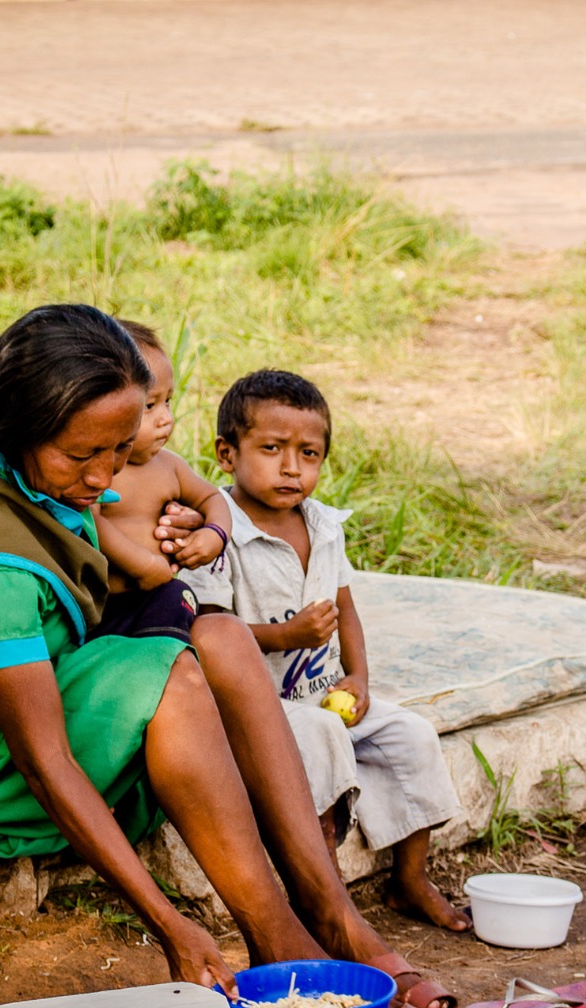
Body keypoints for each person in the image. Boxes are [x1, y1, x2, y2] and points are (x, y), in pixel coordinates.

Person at [0, 306, 459, 1008]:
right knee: (174, 677)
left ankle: (331, 914)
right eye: (84, 455)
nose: (104, 477)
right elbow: (44, 760)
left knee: (218, 633)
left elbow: (115, 539)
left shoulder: (23, 455)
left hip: (6, 697)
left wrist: (187, 533)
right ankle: (283, 943)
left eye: (121, 451)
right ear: (23, 427)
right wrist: (169, 920)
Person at [181, 369, 472, 933]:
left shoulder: (323, 525)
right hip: (256, 710)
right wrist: (286, 637)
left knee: (410, 734)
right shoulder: (218, 532)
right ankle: (324, 890)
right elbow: (207, 632)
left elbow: (346, 606)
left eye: (309, 454)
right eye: (271, 449)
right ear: (226, 453)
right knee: (318, 737)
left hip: (321, 692)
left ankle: (409, 878)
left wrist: (359, 677)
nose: (292, 467)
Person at [91, 320, 230, 644]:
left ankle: (169, 670)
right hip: (100, 602)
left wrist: (215, 533)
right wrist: (142, 565)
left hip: (157, 594)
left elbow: (213, 498)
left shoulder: (169, 466)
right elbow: (92, 523)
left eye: (168, 400)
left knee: (178, 598)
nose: (166, 417)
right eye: (150, 405)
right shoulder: (97, 469)